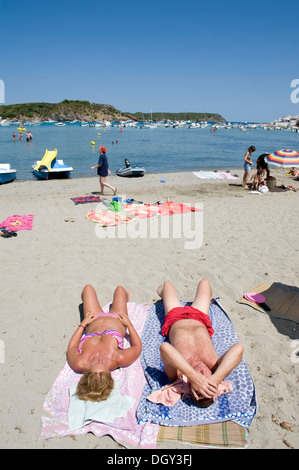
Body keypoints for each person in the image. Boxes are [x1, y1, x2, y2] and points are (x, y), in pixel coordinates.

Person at [157, 280, 244, 407]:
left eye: (199, 383)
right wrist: (216, 379)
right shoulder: (215, 366)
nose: (203, 374)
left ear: (190, 386)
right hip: (200, 317)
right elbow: (238, 348)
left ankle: (163, 293)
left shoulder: (179, 373)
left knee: (167, 285)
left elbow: (164, 348)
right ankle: (207, 296)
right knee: (204, 282)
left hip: (175, 317)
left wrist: (193, 376)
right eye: (207, 381)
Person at [67, 284, 142, 402]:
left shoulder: (80, 362)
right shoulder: (118, 358)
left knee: (88, 289)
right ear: (109, 374)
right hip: (117, 318)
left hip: (94, 318)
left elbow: (72, 347)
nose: (99, 359)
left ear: (86, 373)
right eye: (102, 363)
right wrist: (129, 324)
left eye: (95, 362)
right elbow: (137, 347)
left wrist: (83, 324)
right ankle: (125, 298)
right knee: (120, 290)